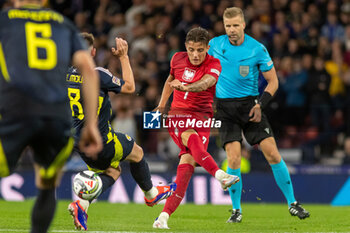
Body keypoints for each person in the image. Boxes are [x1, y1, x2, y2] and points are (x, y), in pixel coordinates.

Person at [0, 1, 102, 232]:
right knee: (47, 183)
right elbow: (88, 67)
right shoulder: (64, 25)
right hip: (57, 117)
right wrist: (91, 126)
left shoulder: (5, 20)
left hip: (16, 111)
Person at [208, 7, 310, 223]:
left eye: (236, 25)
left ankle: (293, 203)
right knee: (233, 158)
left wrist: (260, 105)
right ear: (224, 26)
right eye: (228, 26)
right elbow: (198, 63)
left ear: (244, 24)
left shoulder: (257, 49)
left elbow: (273, 81)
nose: (232, 30)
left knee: (272, 153)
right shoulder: (215, 44)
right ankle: (236, 211)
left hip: (250, 105)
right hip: (225, 108)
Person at [67, 33, 176, 231]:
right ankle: (151, 195)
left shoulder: (63, 75)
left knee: (112, 171)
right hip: (101, 139)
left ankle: (81, 206)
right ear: (93, 52)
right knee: (137, 152)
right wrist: (124, 57)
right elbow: (130, 87)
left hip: (78, 141)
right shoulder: (96, 73)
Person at [153, 27, 240, 229]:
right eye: (191, 49)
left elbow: (206, 83)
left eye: (200, 50)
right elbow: (169, 79)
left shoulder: (214, 64)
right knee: (191, 140)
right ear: (186, 46)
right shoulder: (176, 58)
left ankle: (163, 217)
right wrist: (162, 103)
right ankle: (220, 175)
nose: (195, 54)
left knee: (186, 171)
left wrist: (186, 86)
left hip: (202, 117)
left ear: (207, 48)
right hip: (178, 114)